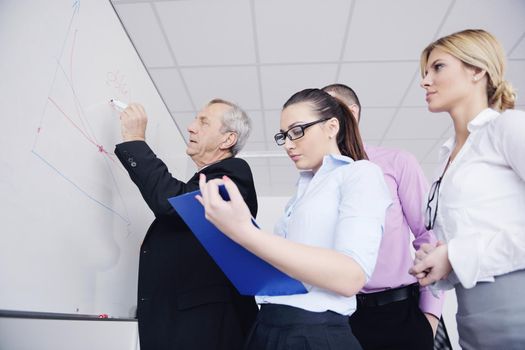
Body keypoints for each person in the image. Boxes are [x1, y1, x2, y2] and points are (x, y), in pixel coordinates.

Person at [197, 88, 392, 350]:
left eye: (297, 131)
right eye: (284, 136)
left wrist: (246, 232)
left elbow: (350, 276)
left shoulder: (360, 174)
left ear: (331, 127)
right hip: (266, 327)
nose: (288, 144)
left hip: (312, 334)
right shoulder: (301, 191)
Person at [409, 29, 525, 349]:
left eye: (438, 68)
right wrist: (439, 258)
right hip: (471, 320)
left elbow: (469, 251)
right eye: (425, 72)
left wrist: (456, 254)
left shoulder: (507, 128)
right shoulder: (446, 157)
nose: (425, 81)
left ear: (477, 70)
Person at [114, 99, 259, 350]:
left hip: (207, 331)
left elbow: (171, 205)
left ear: (227, 140)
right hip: (183, 328)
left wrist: (136, 142)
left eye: (203, 122)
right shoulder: (201, 183)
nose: (191, 127)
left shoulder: (234, 171)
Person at [321, 83, 444, 349]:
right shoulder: (320, 179)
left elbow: (428, 235)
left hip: (399, 313)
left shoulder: (397, 162)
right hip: (342, 316)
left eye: (326, 113)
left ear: (351, 113)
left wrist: (431, 315)